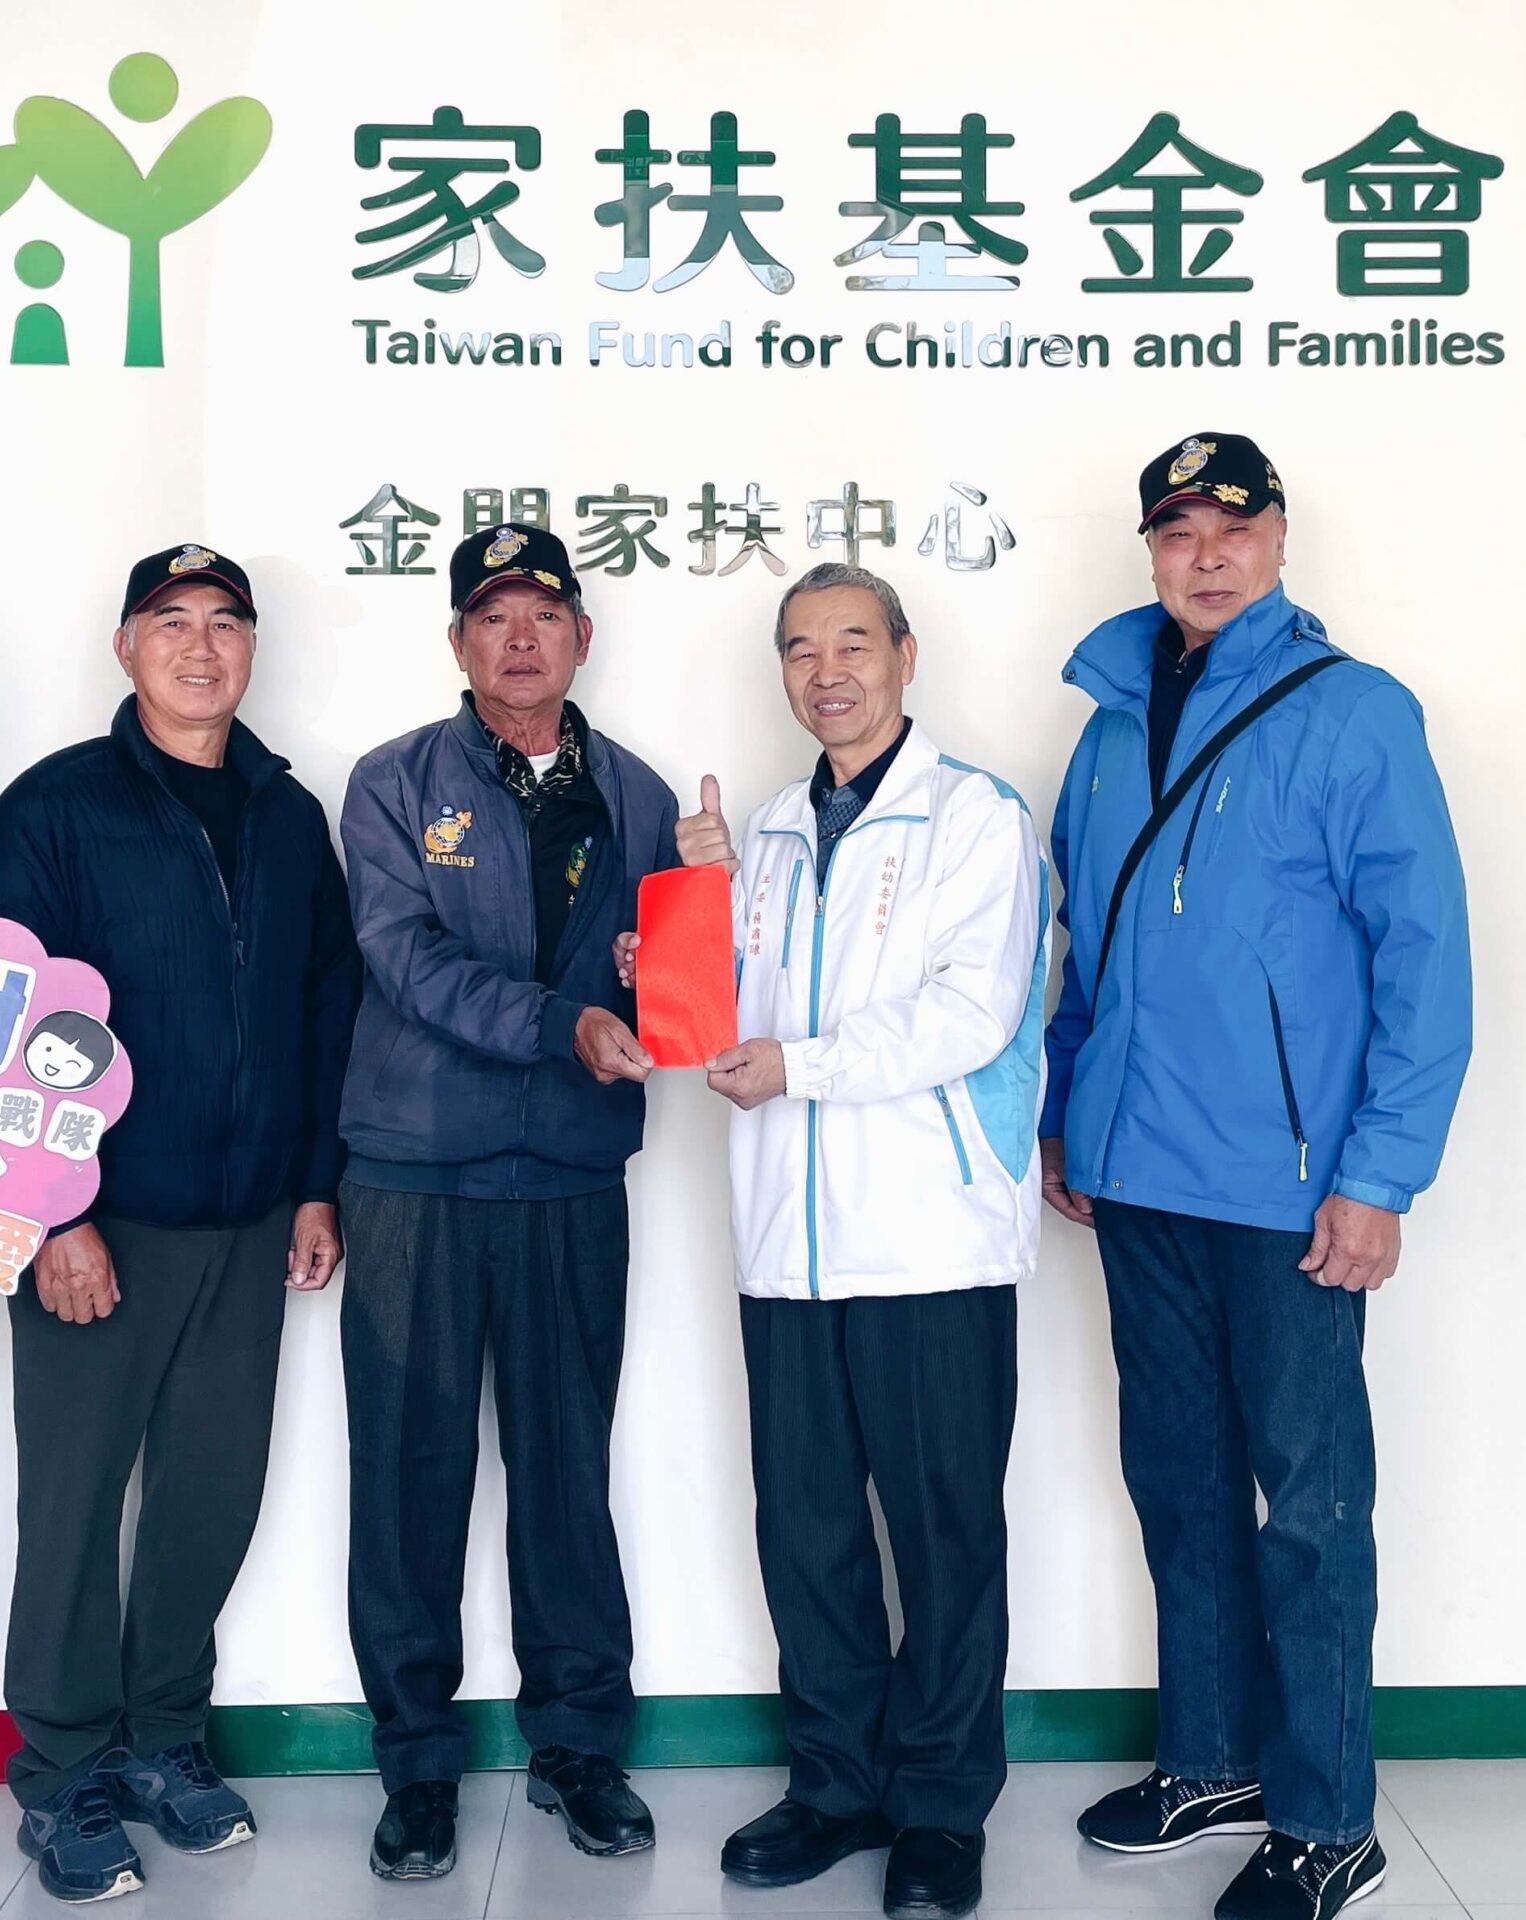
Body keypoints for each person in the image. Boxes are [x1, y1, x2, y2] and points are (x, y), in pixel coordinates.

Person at [1043, 434, 1472, 1920]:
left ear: (1280, 536)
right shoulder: (1109, 728)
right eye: (1178, 530)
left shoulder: (1353, 713)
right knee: (1177, 1483)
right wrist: (1070, 1114)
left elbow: (1426, 956)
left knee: (1309, 1504)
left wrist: (1382, 1175)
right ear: (1151, 551)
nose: (1208, 552)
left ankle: (1329, 1817)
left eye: (1235, 524)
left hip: (1290, 1188)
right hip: (1138, 1177)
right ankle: (1212, 1760)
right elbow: (1089, 942)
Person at [621, 562, 1044, 1920]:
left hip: (929, 1241)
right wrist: (677, 941)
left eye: (854, 642)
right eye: (802, 650)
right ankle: (836, 1784)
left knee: (943, 1539)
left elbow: (969, 1013)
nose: (828, 671)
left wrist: (796, 1066)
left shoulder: (976, 816)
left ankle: (941, 1810)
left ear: (907, 656)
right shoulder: (764, 830)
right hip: (785, 1247)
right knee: (806, 1533)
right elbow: (733, 1010)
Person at [0, 544, 360, 1905]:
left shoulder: (286, 815)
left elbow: (325, 1005)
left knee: (211, 1491)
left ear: (252, 647)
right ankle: (65, 1770)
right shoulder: (57, 808)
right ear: (126, 647)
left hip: (250, 1221)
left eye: (225, 623)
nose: (200, 646)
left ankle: (164, 1736)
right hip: (98, 1222)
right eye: (170, 622)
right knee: (74, 1500)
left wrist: (316, 1183)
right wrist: (53, 1211)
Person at [336, 523, 676, 1881]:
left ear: (583, 636)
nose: (520, 638)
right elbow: (403, 957)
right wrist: (562, 1022)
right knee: (407, 1477)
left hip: (572, 1176)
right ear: (459, 642)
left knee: (565, 1470)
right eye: (493, 616)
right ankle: (418, 1764)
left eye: (544, 613)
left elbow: (668, 984)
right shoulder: (393, 782)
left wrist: (662, 969)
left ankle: (579, 1745)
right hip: (416, 1173)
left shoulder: (643, 796)